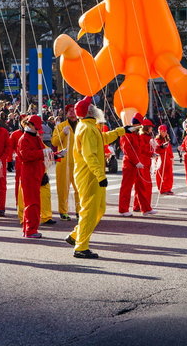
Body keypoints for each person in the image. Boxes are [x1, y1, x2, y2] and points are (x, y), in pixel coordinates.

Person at [64, 97, 130, 259]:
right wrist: (100, 175)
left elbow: (102, 139)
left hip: (91, 175)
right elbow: (90, 155)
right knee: (89, 211)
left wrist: (123, 130)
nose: (95, 108)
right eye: (92, 106)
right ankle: (81, 247)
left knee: (99, 209)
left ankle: (75, 236)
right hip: (89, 176)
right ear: (89, 111)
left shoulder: (89, 127)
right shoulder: (86, 128)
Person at [17, 115, 63, 238]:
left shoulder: (35, 138)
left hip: (36, 173)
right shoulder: (24, 138)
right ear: (29, 125)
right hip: (29, 174)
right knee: (32, 203)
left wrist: (57, 155)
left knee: (34, 203)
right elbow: (25, 156)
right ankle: (30, 230)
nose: (37, 130)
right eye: (35, 127)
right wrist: (43, 153)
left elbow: (45, 153)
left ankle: (29, 229)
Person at [119, 115, 156, 216]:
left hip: (137, 164)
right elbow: (128, 150)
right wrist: (136, 162)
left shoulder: (136, 135)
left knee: (141, 187)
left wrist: (150, 154)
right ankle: (123, 210)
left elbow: (140, 150)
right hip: (129, 165)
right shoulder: (126, 134)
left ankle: (146, 208)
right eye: (139, 124)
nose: (141, 127)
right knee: (126, 188)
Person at [51, 105, 79, 220]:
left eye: (74, 111)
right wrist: (63, 133)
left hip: (78, 162)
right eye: (70, 111)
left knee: (79, 189)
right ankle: (63, 212)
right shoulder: (61, 126)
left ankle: (79, 211)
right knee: (63, 189)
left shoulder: (82, 126)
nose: (72, 113)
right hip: (63, 162)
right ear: (66, 114)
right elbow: (54, 142)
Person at [154, 124, 174, 195]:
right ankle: (162, 189)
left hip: (167, 159)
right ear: (159, 132)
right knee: (160, 175)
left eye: (165, 131)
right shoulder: (157, 140)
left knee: (169, 174)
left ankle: (168, 188)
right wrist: (161, 147)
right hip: (160, 159)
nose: (164, 133)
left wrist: (172, 157)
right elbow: (156, 149)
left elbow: (169, 150)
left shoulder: (167, 139)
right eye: (162, 131)